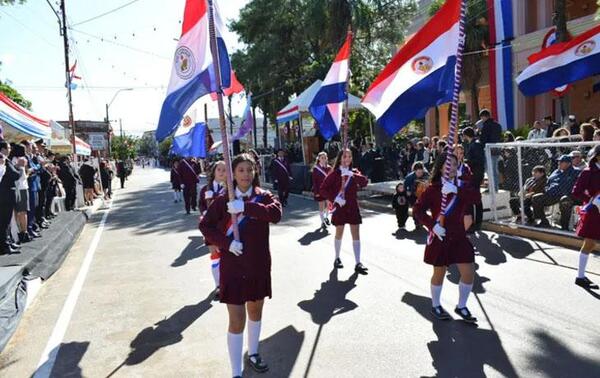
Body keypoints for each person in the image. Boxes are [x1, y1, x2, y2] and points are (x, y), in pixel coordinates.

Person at [199, 153, 282, 377]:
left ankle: (253, 353)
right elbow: (205, 226)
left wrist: (246, 208)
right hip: (233, 266)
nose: (245, 174)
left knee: (255, 310)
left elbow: (276, 214)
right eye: (241, 170)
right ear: (233, 174)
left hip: (257, 264)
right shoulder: (222, 200)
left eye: (249, 169)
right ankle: (236, 371)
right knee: (236, 320)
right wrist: (226, 243)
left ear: (255, 172)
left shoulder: (263, 196)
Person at [413, 152, 479, 323]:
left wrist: (456, 190)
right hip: (440, 235)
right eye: (448, 164)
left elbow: (476, 198)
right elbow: (418, 210)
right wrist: (432, 226)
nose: (452, 168)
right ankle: (436, 305)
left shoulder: (463, 186)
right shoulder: (433, 189)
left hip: (458, 234)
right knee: (439, 272)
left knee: (469, 272)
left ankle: (461, 306)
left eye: (455, 165)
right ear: (441, 167)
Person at [320, 149, 369, 274]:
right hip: (340, 207)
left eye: (349, 156)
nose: (347, 159)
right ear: (340, 158)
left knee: (356, 234)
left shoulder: (354, 172)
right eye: (345, 156)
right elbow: (323, 189)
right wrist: (334, 198)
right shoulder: (335, 173)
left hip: (352, 206)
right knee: (339, 232)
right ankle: (337, 258)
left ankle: (358, 262)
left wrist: (353, 175)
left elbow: (364, 182)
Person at [571, 145, 600, 289]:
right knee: (590, 243)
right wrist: (591, 200)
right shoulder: (588, 172)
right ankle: (580, 276)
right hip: (594, 212)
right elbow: (576, 192)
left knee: (592, 243)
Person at [199, 160, 228, 300]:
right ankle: (218, 286)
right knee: (215, 257)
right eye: (219, 170)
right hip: (210, 228)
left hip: (226, 228)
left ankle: (227, 281)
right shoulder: (206, 189)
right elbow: (201, 206)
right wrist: (205, 213)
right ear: (214, 172)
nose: (222, 173)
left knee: (226, 257)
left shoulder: (230, 189)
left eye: (224, 170)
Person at [531, 155, 581, 229]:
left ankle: (564, 226)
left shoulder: (576, 171)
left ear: (569, 163)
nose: (559, 163)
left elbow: (580, 184)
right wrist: (547, 189)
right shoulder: (556, 171)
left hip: (567, 195)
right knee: (536, 198)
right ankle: (543, 221)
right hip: (552, 195)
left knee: (565, 200)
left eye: (561, 162)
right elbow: (548, 183)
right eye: (558, 161)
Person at [462, 127, 485, 231]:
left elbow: (478, 160)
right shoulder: (473, 144)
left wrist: (467, 161)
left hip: (475, 174)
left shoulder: (476, 145)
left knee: (474, 198)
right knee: (473, 198)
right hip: (475, 174)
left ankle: (476, 222)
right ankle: (474, 222)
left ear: (466, 135)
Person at [0, 142, 22, 254]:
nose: (10, 149)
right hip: (4, 195)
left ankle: (7, 241)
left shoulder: (6, 161)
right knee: (4, 221)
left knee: (7, 221)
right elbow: (15, 175)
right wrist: (19, 167)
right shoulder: (4, 161)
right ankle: (4, 245)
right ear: (3, 149)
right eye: (8, 148)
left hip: (7, 195)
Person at [478, 109, 503, 191]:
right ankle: (496, 187)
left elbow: (483, 139)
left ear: (484, 117)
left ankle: (492, 188)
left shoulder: (486, 126)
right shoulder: (498, 125)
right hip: (497, 149)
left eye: (482, 117)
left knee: (490, 170)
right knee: (495, 170)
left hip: (488, 150)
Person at [403, 162, 429, 230]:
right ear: (415, 171)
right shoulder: (409, 177)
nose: (420, 174)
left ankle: (421, 221)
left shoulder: (426, 175)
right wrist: (407, 191)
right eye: (418, 173)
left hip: (423, 196)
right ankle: (417, 223)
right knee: (415, 209)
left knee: (422, 209)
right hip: (413, 195)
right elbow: (405, 187)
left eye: (421, 172)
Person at [312, 152, 331, 228]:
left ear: (327, 159)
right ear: (319, 159)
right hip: (319, 190)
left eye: (325, 157)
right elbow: (314, 181)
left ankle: (326, 217)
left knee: (329, 205)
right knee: (321, 206)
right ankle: (322, 221)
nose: (323, 159)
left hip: (328, 190)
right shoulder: (316, 168)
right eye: (322, 157)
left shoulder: (329, 168)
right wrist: (316, 192)